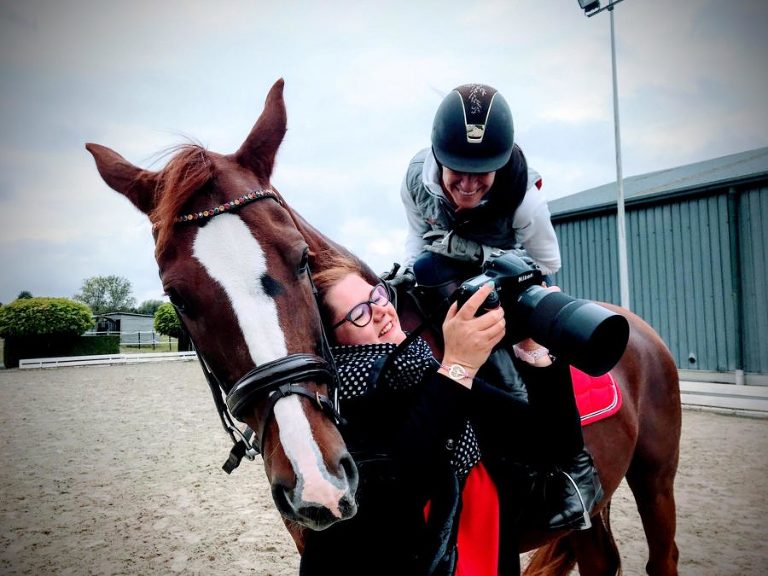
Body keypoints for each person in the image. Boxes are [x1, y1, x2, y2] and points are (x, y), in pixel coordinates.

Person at [298, 253, 602, 576]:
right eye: (358, 313)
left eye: (377, 295)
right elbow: (398, 490)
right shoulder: (340, 409)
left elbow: (554, 444)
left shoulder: (425, 370)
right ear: (333, 343)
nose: (379, 311)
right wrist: (458, 367)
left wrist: (534, 344)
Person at [398, 82, 561, 287]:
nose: (468, 185)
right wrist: (408, 275)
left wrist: (479, 253)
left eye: (482, 172)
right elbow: (417, 234)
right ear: (440, 160)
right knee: (424, 268)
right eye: (457, 169)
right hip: (448, 270)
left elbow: (548, 263)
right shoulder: (415, 181)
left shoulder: (526, 199)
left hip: (513, 276)